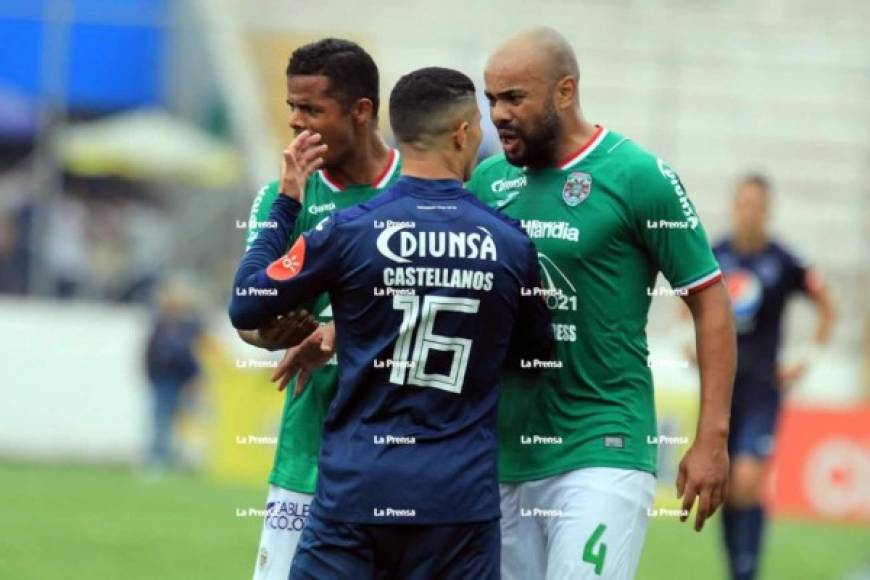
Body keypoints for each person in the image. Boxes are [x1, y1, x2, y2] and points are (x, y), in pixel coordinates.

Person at [230, 66, 551, 580]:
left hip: (356, 492)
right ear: (464, 133)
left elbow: (247, 303)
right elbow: (537, 356)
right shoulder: (508, 241)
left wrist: (288, 202)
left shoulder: (349, 230)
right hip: (458, 501)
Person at [466, 28, 736, 579]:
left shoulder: (638, 176)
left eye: (514, 97)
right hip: (502, 453)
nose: (498, 114)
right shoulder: (488, 183)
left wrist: (711, 435)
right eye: (491, 99)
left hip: (601, 445)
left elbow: (709, 300)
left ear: (565, 92)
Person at [236, 38, 402, 580]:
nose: (294, 122)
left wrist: (335, 331)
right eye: (291, 107)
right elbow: (249, 317)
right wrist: (271, 334)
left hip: (400, 452)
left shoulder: (420, 188)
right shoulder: (286, 196)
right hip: (307, 451)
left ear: (361, 111)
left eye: (311, 109)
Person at [713, 174, 835, 580]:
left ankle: (747, 572)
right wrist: (686, 343)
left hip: (764, 386)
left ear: (768, 211)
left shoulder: (785, 260)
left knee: (748, 478)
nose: (750, 212)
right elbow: (687, 305)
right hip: (722, 388)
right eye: (743, 203)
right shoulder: (717, 254)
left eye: (758, 205)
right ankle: (737, 569)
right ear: (734, 207)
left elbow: (826, 307)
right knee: (726, 484)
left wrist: (805, 357)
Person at [144, 279, 203, 470]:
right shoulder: (160, 324)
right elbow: (149, 352)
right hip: (163, 380)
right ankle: (158, 458)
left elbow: (199, 353)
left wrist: (197, 379)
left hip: (185, 381)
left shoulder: (191, 326)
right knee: (161, 420)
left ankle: (180, 458)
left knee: (185, 422)